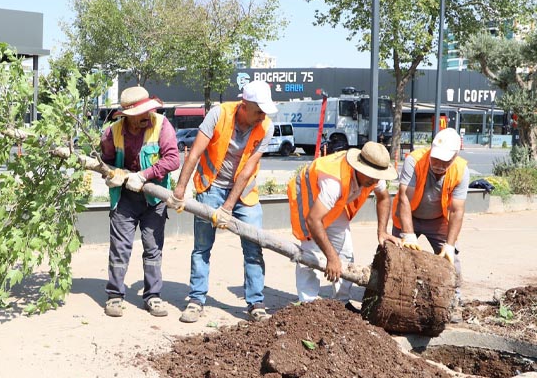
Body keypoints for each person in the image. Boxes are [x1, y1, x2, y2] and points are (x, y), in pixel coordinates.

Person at [166, 80, 276, 323]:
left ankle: (256, 302)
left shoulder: (266, 126)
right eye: (258, 110)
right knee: (202, 246)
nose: (262, 116)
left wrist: (228, 207)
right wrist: (180, 190)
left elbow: (248, 169)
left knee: (253, 246)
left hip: (244, 192)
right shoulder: (219, 114)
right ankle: (196, 300)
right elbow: (194, 153)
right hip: (211, 186)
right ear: (244, 105)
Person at [100, 86, 180, 317]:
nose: (147, 115)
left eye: (148, 111)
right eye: (141, 113)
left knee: (153, 249)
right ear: (127, 115)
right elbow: (104, 163)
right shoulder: (111, 133)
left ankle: (153, 296)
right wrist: (112, 175)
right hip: (124, 198)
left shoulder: (162, 125)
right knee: (120, 248)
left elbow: (173, 159)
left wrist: (144, 175)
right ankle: (115, 296)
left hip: (154, 198)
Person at [287, 141, 399, 305]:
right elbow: (313, 220)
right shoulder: (333, 182)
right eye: (371, 175)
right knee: (311, 255)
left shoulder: (374, 177)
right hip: (309, 196)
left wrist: (382, 231)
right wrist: (331, 258)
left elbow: (383, 198)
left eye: (377, 176)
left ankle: (342, 303)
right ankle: (307, 303)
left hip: (334, 204)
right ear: (359, 168)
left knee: (345, 253)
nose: (375, 180)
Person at [392, 127, 469, 280]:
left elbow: (456, 211)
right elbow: (404, 198)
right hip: (409, 217)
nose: (438, 165)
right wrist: (407, 234)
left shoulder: (461, 170)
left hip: (437, 220)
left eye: (444, 161)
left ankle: (454, 297)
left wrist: (450, 244)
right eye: (435, 159)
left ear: (455, 156)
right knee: (395, 256)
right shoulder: (414, 160)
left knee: (451, 260)